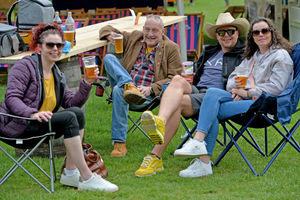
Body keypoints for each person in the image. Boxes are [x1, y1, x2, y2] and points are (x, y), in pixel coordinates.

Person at [0, 23, 118, 192]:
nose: (55, 48)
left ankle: (70, 173)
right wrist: (32, 113)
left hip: (40, 123)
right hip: (18, 125)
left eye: (59, 45)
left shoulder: (57, 73)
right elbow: (12, 98)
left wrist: (86, 83)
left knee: (76, 113)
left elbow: (71, 103)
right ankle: (87, 177)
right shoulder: (24, 66)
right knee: (69, 117)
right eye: (50, 44)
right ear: (39, 47)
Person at [172, 17, 294, 178]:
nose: (260, 34)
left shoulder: (280, 56)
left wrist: (247, 92)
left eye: (264, 30)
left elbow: (276, 88)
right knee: (212, 94)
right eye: (256, 32)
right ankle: (200, 151)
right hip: (245, 100)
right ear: (252, 36)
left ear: (272, 32)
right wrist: (237, 90)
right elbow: (232, 77)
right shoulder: (253, 56)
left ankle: (201, 153)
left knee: (211, 107)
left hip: (265, 105)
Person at [135, 12, 250, 177]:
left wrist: (242, 91)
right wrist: (188, 74)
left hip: (217, 95)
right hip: (197, 89)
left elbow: (250, 75)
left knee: (177, 103)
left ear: (238, 32)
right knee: (176, 79)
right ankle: (160, 122)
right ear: (216, 36)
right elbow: (194, 71)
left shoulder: (244, 54)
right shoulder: (210, 51)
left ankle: (155, 156)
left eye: (230, 31)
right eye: (221, 32)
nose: (226, 36)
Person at [99, 15, 182, 157]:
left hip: (146, 96)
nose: (150, 34)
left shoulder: (171, 48)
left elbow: (175, 78)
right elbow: (105, 28)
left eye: (155, 30)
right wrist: (109, 35)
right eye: (147, 29)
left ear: (163, 32)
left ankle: (119, 143)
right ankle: (128, 84)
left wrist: (152, 88)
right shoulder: (135, 38)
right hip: (128, 89)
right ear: (142, 29)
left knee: (119, 90)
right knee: (108, 58)